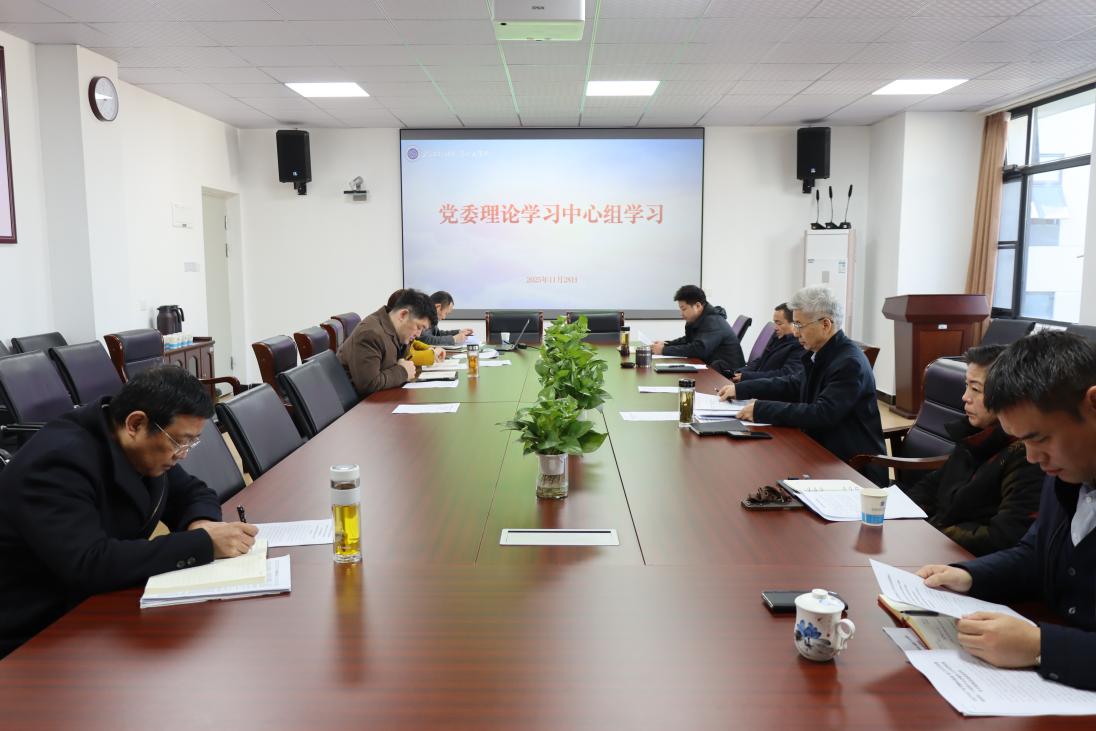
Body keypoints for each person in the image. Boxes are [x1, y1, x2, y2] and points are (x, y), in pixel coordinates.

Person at [0, 366, 257, 658]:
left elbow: (193, 493)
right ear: (136, 423)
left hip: (96, 608)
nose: (183, 453)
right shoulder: (57, 462)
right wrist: (203, 544)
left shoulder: (140, 446)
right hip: (35, 632)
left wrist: (202, 524)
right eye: (179, 441)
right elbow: (89, 563)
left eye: (190, 442)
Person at [916, 331, 1096, 690]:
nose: (1031, 457)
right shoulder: (1068, 471)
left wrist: (1041, 647)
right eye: (1022, 441)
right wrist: (969, 576)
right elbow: (1035, 553)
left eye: (1040, 438)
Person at [718, 285, 886, 485]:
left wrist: (761, 409)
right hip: (818, 449)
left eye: (799, 325)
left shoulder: (849, 363)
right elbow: (793, 384)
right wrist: (742, 389)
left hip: (851, 467)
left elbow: (822, 413)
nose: (796, 333)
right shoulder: (821, 353)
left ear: (825, 324)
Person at [905, 344, 1043, 556]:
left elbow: (1003, 536)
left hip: (967, 559)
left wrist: (933, 531)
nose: (964, 397)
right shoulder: (974, 435)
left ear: (1008, 394)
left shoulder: (1027, 455)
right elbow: (933, 484)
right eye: (966, 386)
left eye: (976, 389)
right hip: (935, 542)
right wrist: (899, 511)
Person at [340, 288, 438, 396]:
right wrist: (403, 372)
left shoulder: (399, 333)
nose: (418, 334)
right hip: (361, 403)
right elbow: (369, 385)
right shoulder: (370, 333)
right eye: (419, 327)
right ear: (403, 315)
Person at [651, 285, 744, 372]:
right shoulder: (699, 319)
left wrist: (663, 350)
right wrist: (666, 344)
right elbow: (689, 339)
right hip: (713, 367)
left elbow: (699, 349)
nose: (681, 314)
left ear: (698, 306)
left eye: (684, 309)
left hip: (728, 374)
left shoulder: (713, 322)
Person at [730, 302, 805, 383]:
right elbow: (760, 360)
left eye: (779, 323)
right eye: (775, 323)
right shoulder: (777, 336)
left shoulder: (800, 345)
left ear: (794, 324)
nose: (775, 328)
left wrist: (746, 377)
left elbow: (784, 374)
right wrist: (738, 372)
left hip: (767, 386)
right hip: (758, 381)